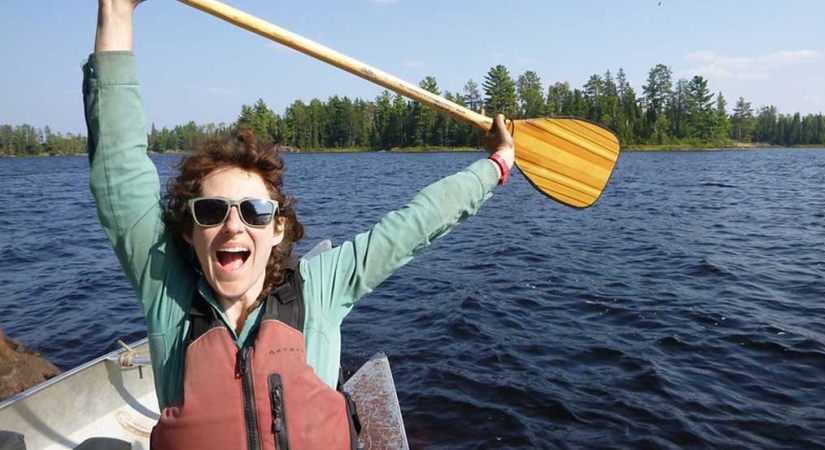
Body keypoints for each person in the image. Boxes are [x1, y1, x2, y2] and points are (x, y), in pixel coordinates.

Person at [86, 0, 515, 448]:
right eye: (213, 211)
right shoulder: (168, 298)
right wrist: (116, 12)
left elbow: (419, 220)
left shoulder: (320, 287)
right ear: (189, 231)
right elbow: (119, 172)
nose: (234, 226)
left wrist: (497, 164)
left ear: (277, 230)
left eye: (254, 212)